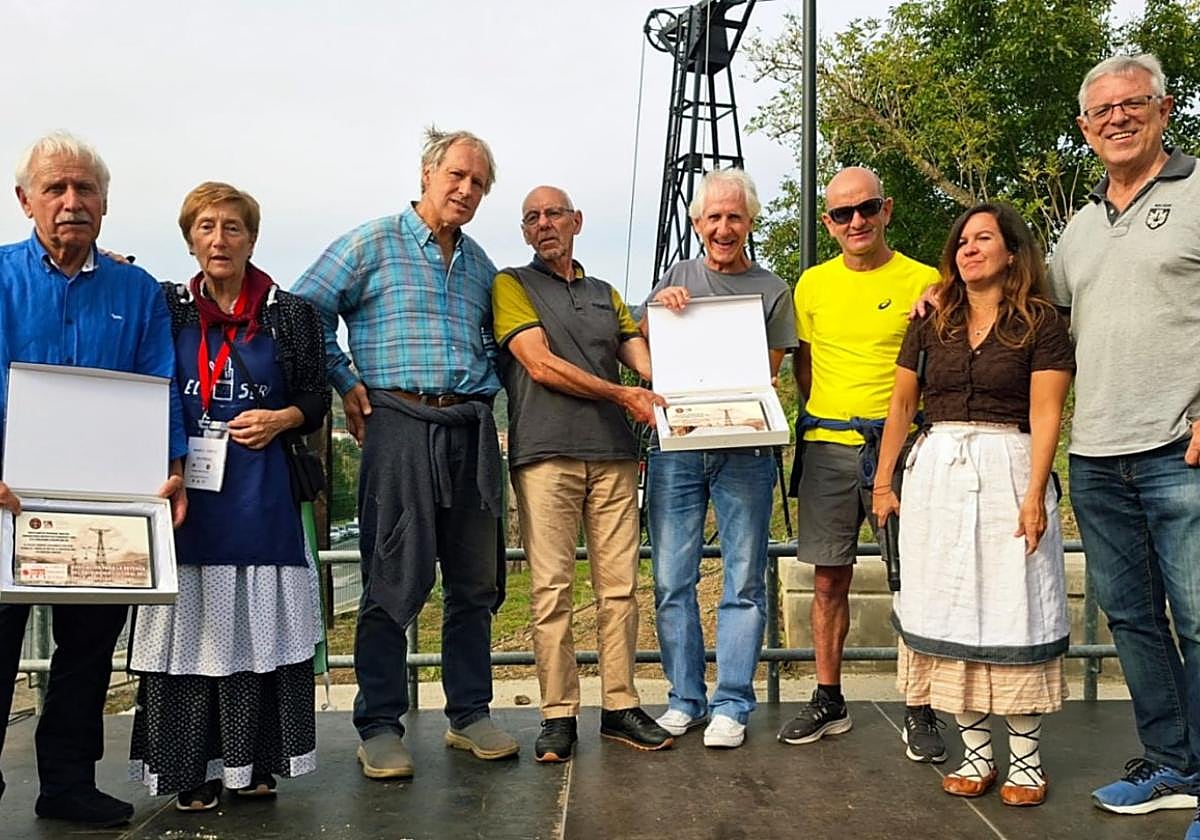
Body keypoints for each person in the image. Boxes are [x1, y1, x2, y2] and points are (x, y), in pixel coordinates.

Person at [292, 128, 516, 779]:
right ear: (427, 173)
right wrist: (344, 381)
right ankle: (380, 724)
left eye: (479, 183)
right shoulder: (373, 241)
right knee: (392, 578)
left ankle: (469, 715)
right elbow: (305, 307)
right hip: (396, 425)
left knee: (475, 583)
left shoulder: (480, 266)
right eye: (458, 176)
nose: (466, 190)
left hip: (470, 431)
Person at [0, 132, 187, 826]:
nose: (71, 201)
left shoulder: (136, 291)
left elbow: (158, 379)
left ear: (105, 203)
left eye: (84, 189)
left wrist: (170, 466)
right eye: (55, 188)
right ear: (26, 201)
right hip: (7, 500)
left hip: (104, 510)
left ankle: (68, 785)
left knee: (87, 653)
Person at [127, 182, 328, 810]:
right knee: (191, 640)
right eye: (207, 227)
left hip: (262, 500)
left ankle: (255, 763)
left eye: (233, 227)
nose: (220, 239)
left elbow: (317, 399)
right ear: (190, 238)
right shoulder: (167, 307)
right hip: (186, 497)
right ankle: (192, 771)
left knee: (256, 637)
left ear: (252, 238)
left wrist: (281, 418)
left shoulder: (291, 314)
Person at [874, 202, 1074, 807]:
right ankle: (977, 753)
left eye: (983, 238)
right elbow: (902, 404)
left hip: (1010, 468)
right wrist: (884, 484)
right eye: (962, 241)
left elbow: (1046, 414)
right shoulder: (932, 320)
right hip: (937, 473)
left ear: (1012, 252)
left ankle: (1027, 760)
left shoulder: (1041, 322)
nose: (969, 249)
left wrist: (1036, 494)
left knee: (1015, 606)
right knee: (952, 607)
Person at [1050, 53, 1200, 837]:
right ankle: (1174, 765)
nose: (1116, 118)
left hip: (1183, 446)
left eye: (1132, 104)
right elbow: (1034, 319)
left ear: (1164, 109)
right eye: (1101, 110)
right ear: (1085, 127)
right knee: (1133, 620)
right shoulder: (1077, 229)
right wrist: (942, 287)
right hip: (1098, 453)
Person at [493, 185, 672, 762]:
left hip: (615, 454)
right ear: (524, 232)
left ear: (577, 221)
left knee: (619, 588)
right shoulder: (511, 285)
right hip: (546, 454)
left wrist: (675, 339)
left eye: (554, 214)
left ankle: (619, 706)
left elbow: (638, 351)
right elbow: (539, 364)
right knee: (551, 590)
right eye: (532, 218)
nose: (544, 224)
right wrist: (625, 393)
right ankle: (558, 714)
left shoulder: (605, 293)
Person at [777, 167, 942, 758]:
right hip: (827, 446)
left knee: (913, 579)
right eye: (842, 214)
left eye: (866, 208)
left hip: (900, 449)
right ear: (827, 222)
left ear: (886, 209)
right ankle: (829, 698)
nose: (856, 222)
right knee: (827, 577)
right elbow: (805, 364)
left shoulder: (927, 280)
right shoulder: (811, 286)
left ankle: (921, 706)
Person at [644, 168, 796, 749]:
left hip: (745, 451)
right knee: (670, 580)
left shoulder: (773, 289)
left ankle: (732, 702)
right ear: (697, 222)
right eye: (713, 217)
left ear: (749, 221)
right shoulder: (676, 276)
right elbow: (639, 338)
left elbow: (770, 373)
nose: (724, 227)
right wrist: (661, 308)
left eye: (734, 217)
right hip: (677, 451)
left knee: (744, 581)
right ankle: (684, 698)